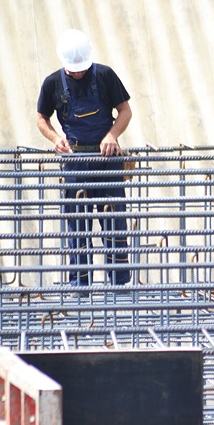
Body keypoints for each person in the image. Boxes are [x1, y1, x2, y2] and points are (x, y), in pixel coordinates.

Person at [36, 29, 133, 291]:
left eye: (82, 69)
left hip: (107, 160)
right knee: (77, 228)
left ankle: (119, 290)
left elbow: (125, 111)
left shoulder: (104, 75)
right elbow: (41, 119)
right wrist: (56, 139)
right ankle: (80, 290)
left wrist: (112, 135)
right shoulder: (52, 83)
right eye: (74, 69)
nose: (78, 72)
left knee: (114, 224)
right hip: (75, 162)